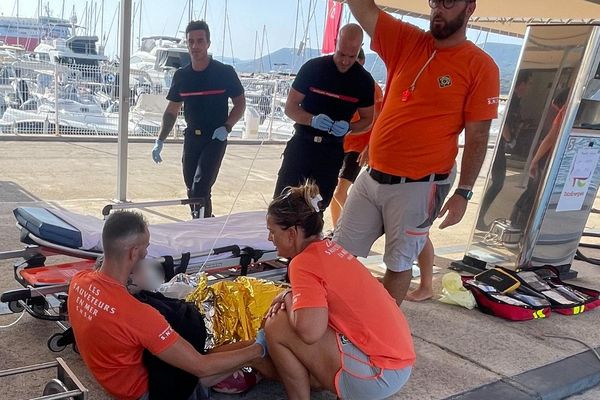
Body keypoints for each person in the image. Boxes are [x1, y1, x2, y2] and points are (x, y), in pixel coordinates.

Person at [334, 0, 500, 305]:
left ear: (469, 8)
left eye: (448, 2)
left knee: (398, 264)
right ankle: (334, 321)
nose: (438, 8)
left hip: (420, 185)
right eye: (435, 1)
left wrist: (463, 192)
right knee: (337, 252)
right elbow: (362, 8)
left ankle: (381, 337)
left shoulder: (480, 65)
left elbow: (478, 136)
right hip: (371, 177)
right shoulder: (407, 40)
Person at [68, 211, 270, 400]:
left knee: (239, 349)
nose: (147, 252)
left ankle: (253, 354)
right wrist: (260, 348)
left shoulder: (79, 281)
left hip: (109, 376)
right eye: (146, 247)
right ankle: (265, 359)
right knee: (242, 353)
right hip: (143, 393)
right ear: (133, 253)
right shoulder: (139, 315)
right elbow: (201, 367)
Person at [264, 182, 415, 400]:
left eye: (272, 232)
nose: (270, 239)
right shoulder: (331, 249)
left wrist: (288, 300)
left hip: (378, 376)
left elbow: (309, 332)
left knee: (276, 325)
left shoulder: (302, 263)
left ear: (292, 233)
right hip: (398, 365)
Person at [273, 23, 375, 209]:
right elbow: (290, 107)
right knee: (283, 203)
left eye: (351, 57)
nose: (345, 61)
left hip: (331, 150)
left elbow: (368, 120)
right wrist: (311, 119)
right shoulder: (313, 68)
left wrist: (350, 127)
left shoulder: (364, 81)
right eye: (341, 54)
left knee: (317, 207)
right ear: (336, 43)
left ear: (360, 49)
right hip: (302, 143)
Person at [151, 20, 245, 218]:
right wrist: (160, 140)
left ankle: (201, 227)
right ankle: (203, 222)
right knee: (191, 187)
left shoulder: (224, 72)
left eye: (200, 41)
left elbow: (240, 104)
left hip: (215, 137)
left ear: (208, 43)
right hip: (192, 137)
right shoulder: (181, 76)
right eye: (191, 41)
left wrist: (227, 127)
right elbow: (171, 111)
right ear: (187, 44)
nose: (195, 46)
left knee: (201, 185)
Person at [329, 48, 383, 227]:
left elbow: (379, 119)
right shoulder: (342, 83)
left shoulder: (371, 86)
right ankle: (338, 231)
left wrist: (370, 148)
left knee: (339, 192)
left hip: (358, 147)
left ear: (361, 62)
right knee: (332, 192)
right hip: (341, 144)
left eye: (353, 61)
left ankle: (355, 226)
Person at [477, 70, 531, 230]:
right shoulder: (513, 101)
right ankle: (481, 218)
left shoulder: (516, 101)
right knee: (498, 183)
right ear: (521, 84)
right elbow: (505, 123)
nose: (528, 87)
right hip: (499, 148)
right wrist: (510, 139)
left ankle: (482, 218)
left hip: (500, 147)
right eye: (528, 83)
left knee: (498, 183)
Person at [509, 88, 570, 229]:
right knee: (537, 193)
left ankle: (518, 225)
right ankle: (521, 225)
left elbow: (550, 138)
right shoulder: (581, 110)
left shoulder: (566, 111)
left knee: (534, 191)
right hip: (563, 161)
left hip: (549, 158)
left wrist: (535, 160)